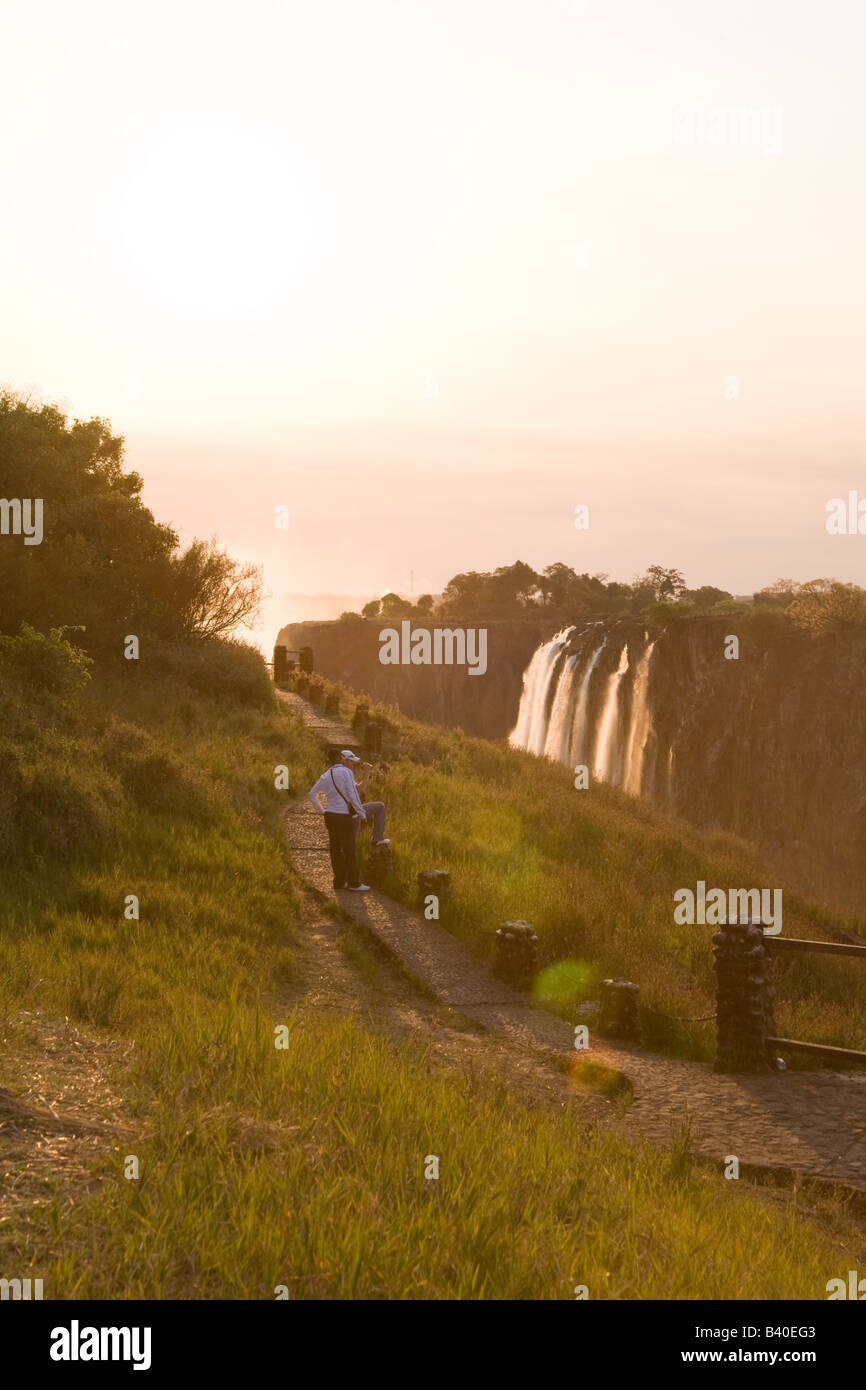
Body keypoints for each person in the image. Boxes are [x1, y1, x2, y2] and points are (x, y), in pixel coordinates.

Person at [307, 750, 371, 893]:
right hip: (343, 817)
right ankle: (354, 883)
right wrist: (362, 814)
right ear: (341, 759)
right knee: (349, 850)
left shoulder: (325, 775)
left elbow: (311, 794)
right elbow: (354, 795)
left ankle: (339, 882)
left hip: (330, 816)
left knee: (335, 850)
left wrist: (321, 810)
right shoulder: (346, 773)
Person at [351, 759, 390, 849]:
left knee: (379, 806)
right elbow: (361, 789)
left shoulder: (341, 773)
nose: (353, 764)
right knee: (380, 807)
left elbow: (358, 788)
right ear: (345, 761)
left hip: (350, 808)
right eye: (351, 761)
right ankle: (377, 839)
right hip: (351, 810)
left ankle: (377, 838)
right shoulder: (345, 774)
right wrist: (367, 771)